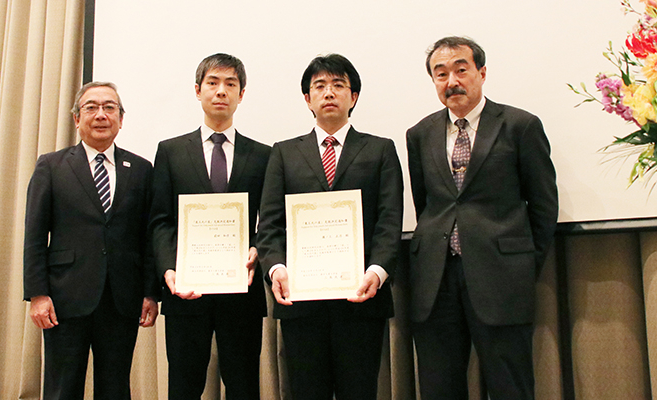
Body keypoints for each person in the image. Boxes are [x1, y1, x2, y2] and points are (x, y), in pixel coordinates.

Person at [405, 36, 559, 400]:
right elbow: (426, 202)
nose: (451, 81)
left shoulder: (520, 125)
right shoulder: (420, 134)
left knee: (510, 387)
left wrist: (522, 263)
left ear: (482, 72)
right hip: (435, 281)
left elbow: (543, 205)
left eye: (461, 69)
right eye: (440, 74)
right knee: (439, 388)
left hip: (501, 277)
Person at [256, 53, 403, 400]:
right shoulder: (283, 153)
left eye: (339, 85)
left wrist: (378, 271)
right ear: (307, 99)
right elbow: (270, 224)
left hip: (361, 299)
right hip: (302, 304)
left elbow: (389, 220)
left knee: (360, 391)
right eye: (319, 86)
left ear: (354, 97)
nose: (329, 93)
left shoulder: (381, 150)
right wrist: (276, 268)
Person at [23, 81, 159, 399]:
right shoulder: (52, 166)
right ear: (76, 118)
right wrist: (37, 294)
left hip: (121, 298)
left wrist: (150, 293)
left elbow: (148, 236)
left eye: (109, 107)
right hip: (64, 298)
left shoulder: (140, 169)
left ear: (121, 119)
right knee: (62, 388)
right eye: (91, 107)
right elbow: (34, 235)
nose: (101, 114)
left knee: (115, 388)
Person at [149, 53, 270, 400]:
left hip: (241, 292)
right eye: (213, 83)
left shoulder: (262, 155)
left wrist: (257, 249)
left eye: (230, 84)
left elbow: (271, 220)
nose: (221, 91)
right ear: (198, 90)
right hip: (187, 291)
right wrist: (168, 268)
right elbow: (160, 220)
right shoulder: (170, 152)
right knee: (184, 386)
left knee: (244, 384)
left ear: (241, 94)